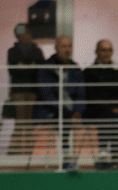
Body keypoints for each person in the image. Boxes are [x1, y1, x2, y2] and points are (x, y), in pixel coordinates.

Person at [33, 36, 87, 168]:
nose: (67, 49)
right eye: (63, 46)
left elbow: (81, 94)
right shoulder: (46, 68)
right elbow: (46, 96)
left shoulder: (75, 69)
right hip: (49, 111)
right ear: (56, 48)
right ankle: (67, 159)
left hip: (70, 111)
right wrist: (67, 111)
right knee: (64, 118)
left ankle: (72, 158)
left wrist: (78, 111)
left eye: (69, 46)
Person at [83, 40, 118, 168]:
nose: (107, 53)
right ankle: (111, 157)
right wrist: (113, 109)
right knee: (111, 118)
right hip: (98, 111)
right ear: (96, 52)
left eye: (109, 50)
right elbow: (91, 97)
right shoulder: (89, 72)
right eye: (103, 50)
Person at [0, 22, 46, 156]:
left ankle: (27, 150)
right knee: (20, 121)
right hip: (18, 90)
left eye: (27, 32)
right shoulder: (12, 51)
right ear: (17, 36)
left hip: (32, 89)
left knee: (29, 121)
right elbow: (14, 70)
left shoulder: (37, 50)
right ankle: (19, 150)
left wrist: (25, 65)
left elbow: (40, 68)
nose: (26, 36)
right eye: (22, 33)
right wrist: (29, 65)